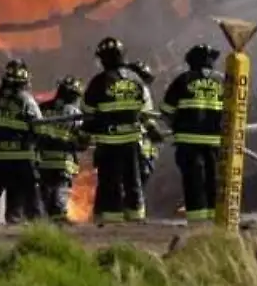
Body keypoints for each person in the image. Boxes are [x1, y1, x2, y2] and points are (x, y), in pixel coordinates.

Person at [0, 59, 44, 227]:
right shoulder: (26, 100)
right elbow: (39, 128)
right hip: (20, 158)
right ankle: (16, 224)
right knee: (19, 194)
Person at [82, 37, 146, 224]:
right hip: (132, 139)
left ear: (104, 59)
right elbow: (143, 109)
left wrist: (84, 136)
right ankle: (136, 216)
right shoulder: (136, 79)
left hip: (109, 142)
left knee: (110, 181)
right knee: (133, 179)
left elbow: (88, 114)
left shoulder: (99, 82)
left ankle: (112, 220)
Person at [160, 44, 224, 222]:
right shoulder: (223, 81)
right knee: (214, 180)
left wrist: (176, 125)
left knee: (193, 181)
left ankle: (197, 222)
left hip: (188, 142)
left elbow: (166, 110)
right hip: (215, 142)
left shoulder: (183, 79)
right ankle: (214, 220)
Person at [34, 76, 86, 222]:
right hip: (63, 161)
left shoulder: (41, 108)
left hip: (42, 161)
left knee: (44, 194)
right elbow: (82, 140)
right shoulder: (75, 113)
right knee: (59, 192)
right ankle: (59, 220)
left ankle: (41, 224)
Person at [128, 61, 166, 189]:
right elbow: (144, 115)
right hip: (139, 146)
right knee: (136, 186)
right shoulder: (141, 89)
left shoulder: (115, 89)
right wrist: (153, 130)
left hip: (119, 146)